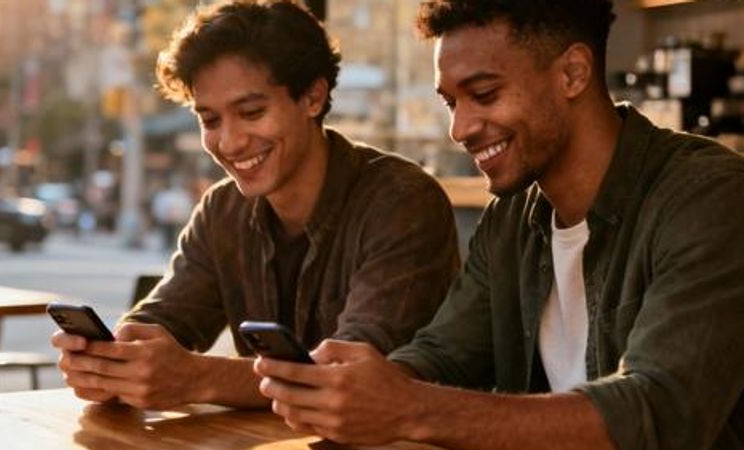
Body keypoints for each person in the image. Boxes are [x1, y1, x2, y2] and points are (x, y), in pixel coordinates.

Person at [255, 1, 744, 448]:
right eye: (451, 103)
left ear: (573, 73)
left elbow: (658, 413)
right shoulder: (511, 218)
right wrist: (359, 387)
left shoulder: (708, 196)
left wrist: (408, 407)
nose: (460, 129)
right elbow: (444, 354)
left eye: (484, 94)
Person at [50, 0, 459, 411]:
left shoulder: (402, 201)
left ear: (313, 96)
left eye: (251, 112)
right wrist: (114, 361)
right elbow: (164, 320)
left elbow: (351, 379)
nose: (229, 143)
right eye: (210, 120)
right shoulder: (222, 210)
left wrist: (195, 378)